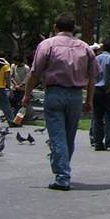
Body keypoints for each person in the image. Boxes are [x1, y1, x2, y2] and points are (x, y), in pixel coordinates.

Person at [22, 14, 99, 191]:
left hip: (55, 92)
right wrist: (89, 100)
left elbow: (35, 72)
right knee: (69, 136)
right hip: (75, 95)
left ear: (55, 27)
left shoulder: (47, 45)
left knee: (57, 136)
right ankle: (61, 167)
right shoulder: (85, 47)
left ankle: (62, 175)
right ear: (74, 29)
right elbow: (92, 77)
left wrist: (27, 93)